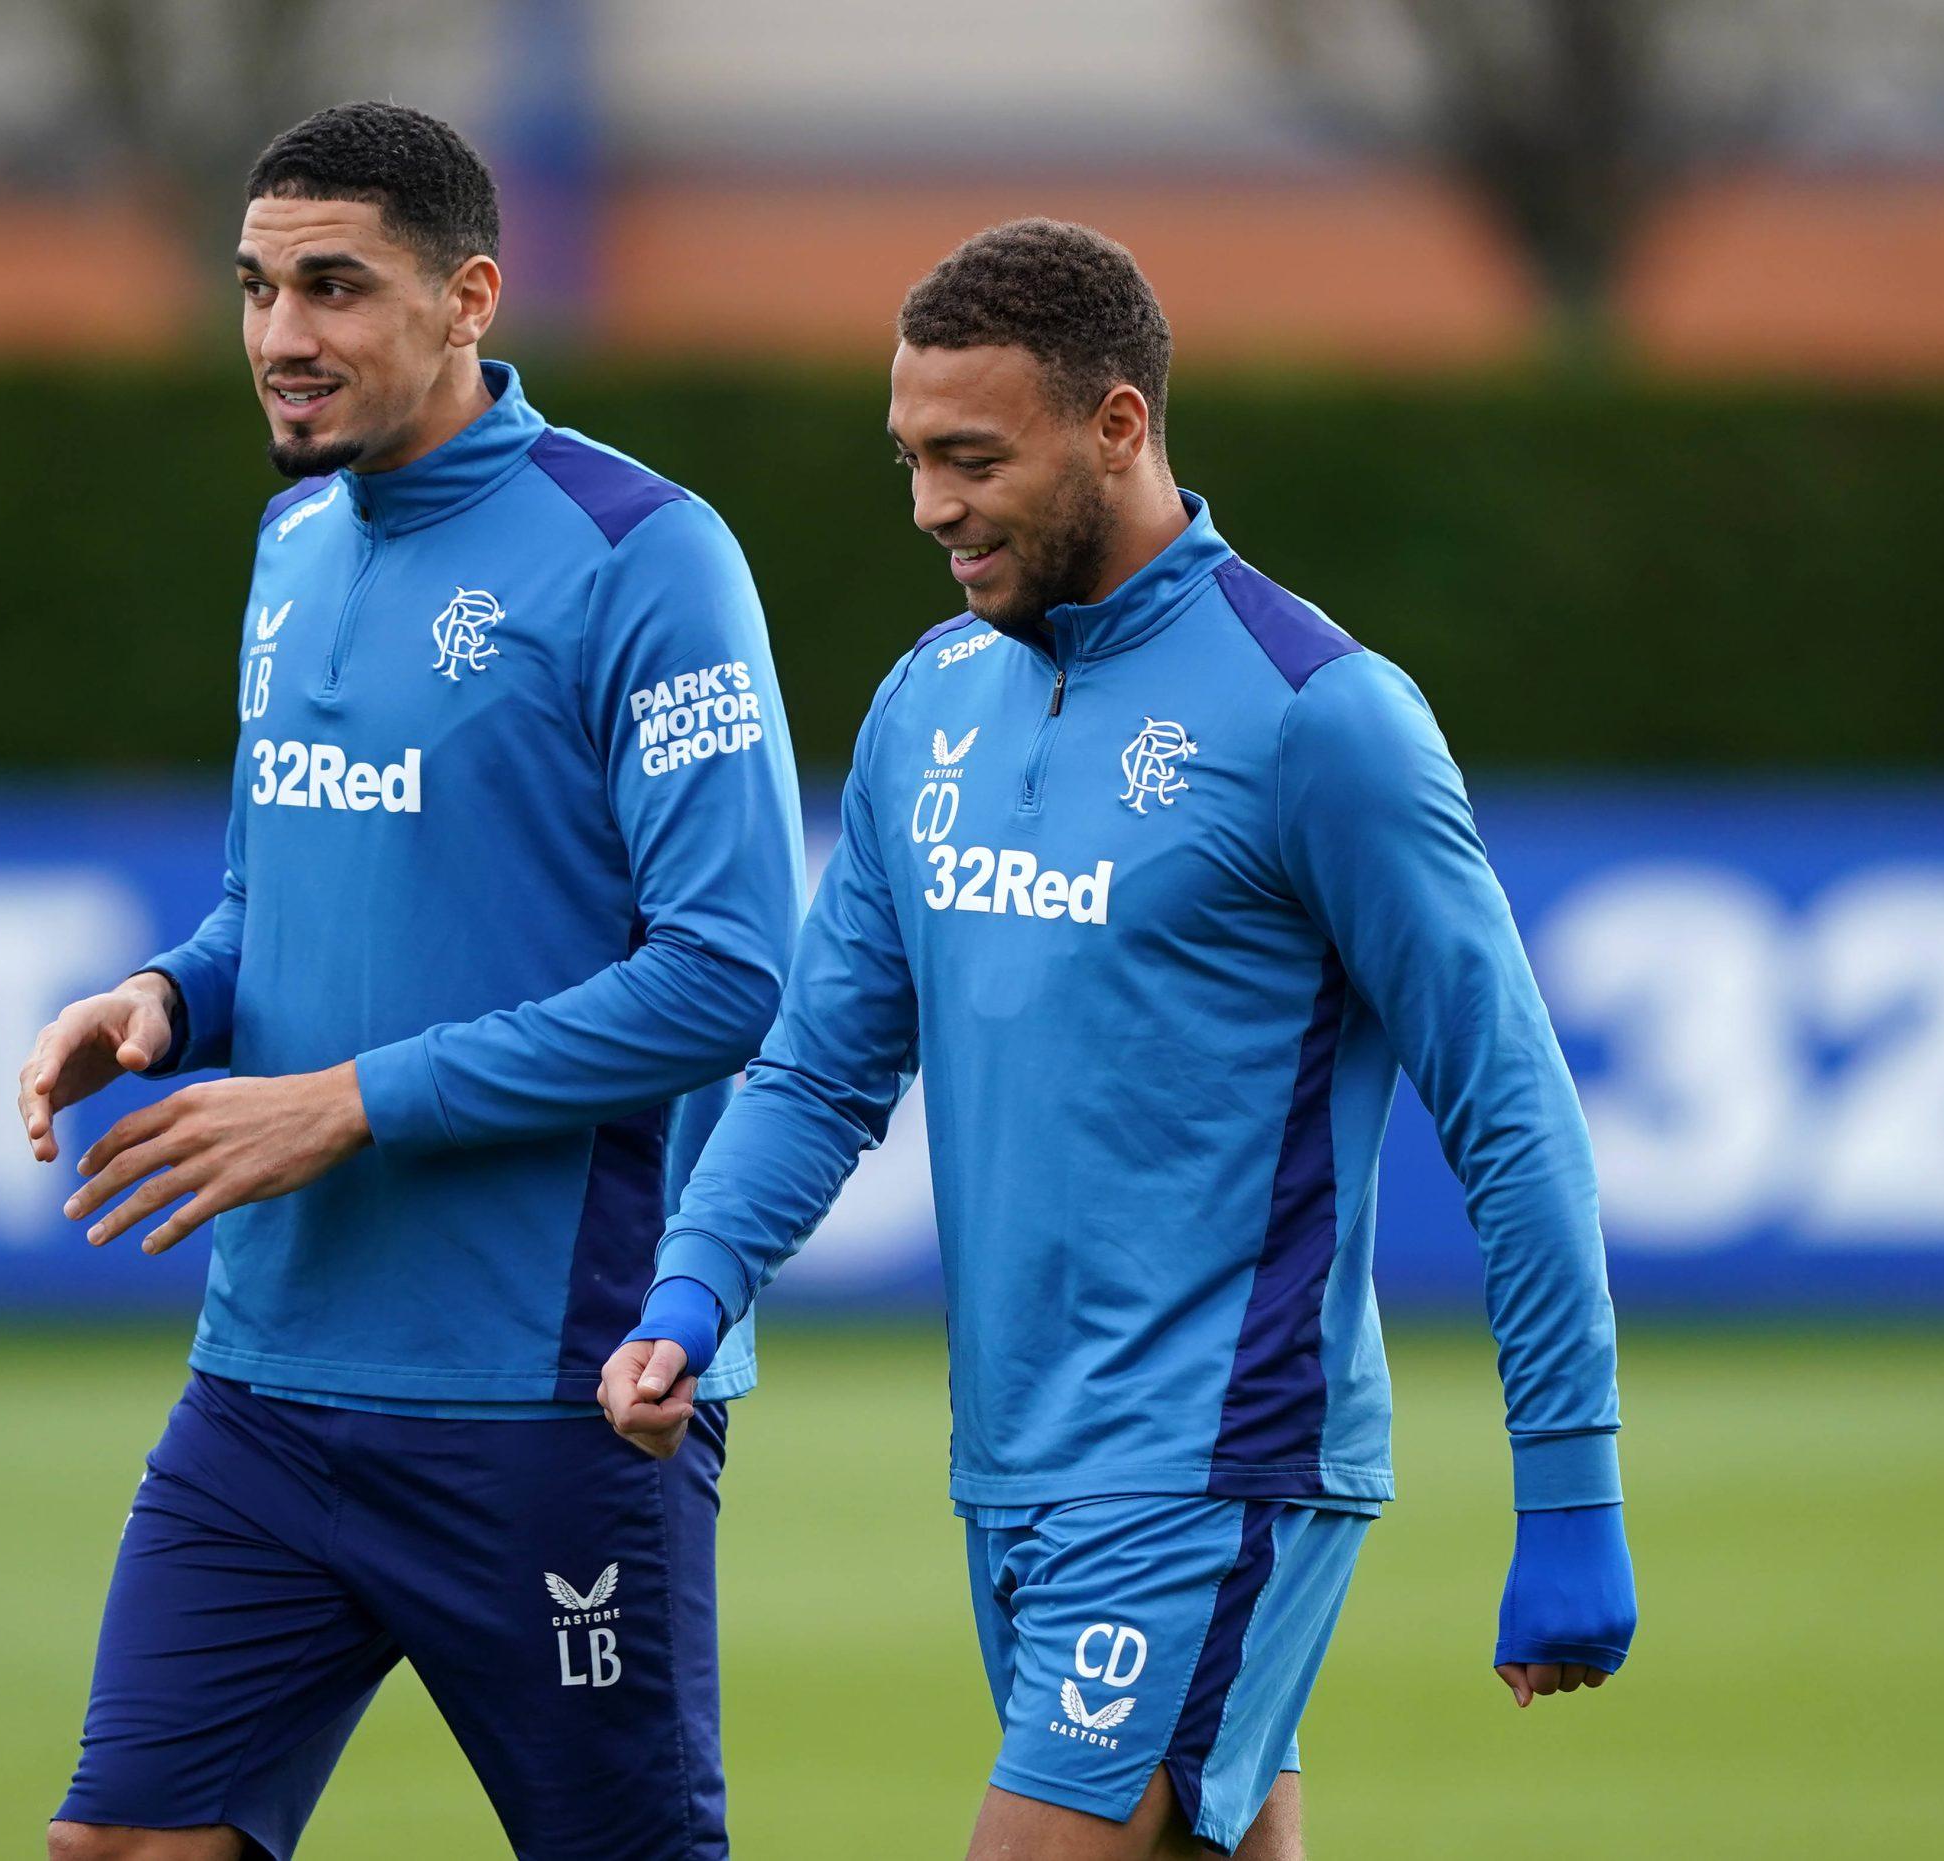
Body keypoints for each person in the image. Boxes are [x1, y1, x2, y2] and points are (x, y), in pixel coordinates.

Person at [601, 220, 1637, 1861]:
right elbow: (819, 1065)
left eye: (972, 457)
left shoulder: (1320, 718)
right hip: (1013, 1457)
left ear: (1119, 426)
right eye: (911, 458)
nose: (932, 502)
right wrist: (694, 1282)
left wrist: (1570, 1485)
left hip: (1215, 1456)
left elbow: (1508, 1108)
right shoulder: (926, 702)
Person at [20, 102, 803, 1861]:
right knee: (125, 1843)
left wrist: (354, 1103)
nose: (281, 337)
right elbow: (269, 900)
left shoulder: (647, 556)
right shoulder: (295, 546)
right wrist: (162, 998)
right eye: (255, 288)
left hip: (551, 1401)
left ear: (469, 298)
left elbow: (730, 973)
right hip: (270, 1386)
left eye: (332, 287)